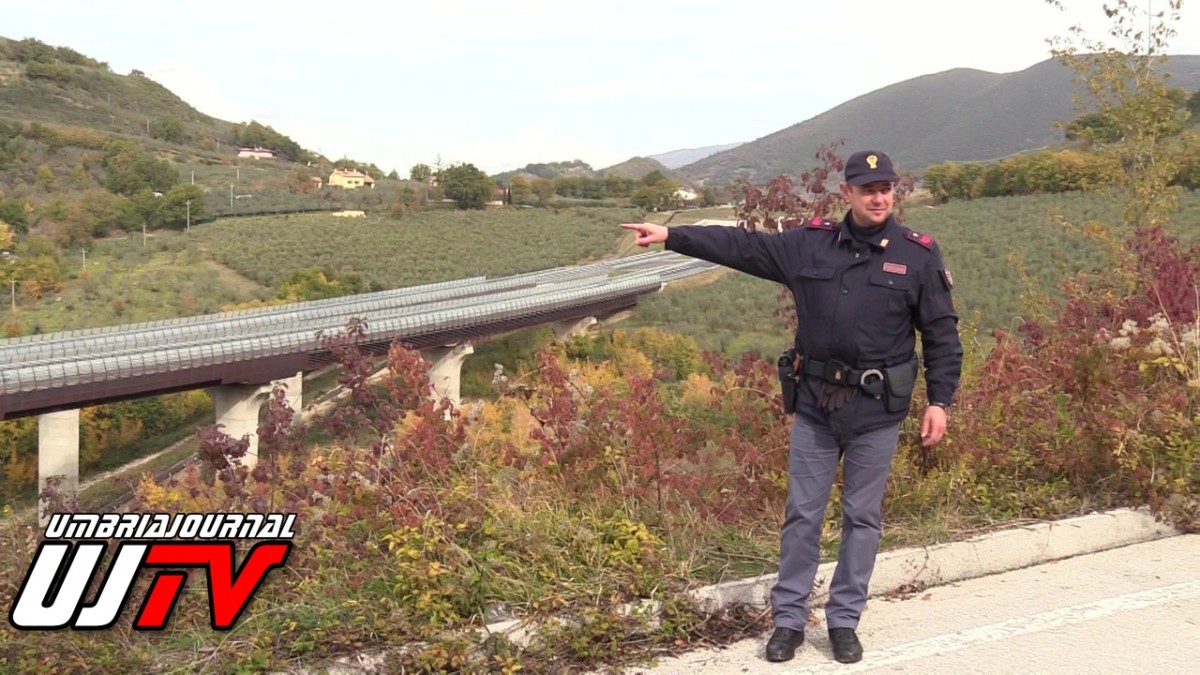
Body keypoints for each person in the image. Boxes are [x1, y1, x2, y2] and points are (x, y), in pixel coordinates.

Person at [620, 150, 963, 665]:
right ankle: (789, 620)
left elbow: (941, 334)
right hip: (817, 406)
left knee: (862, 518)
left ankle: (844, 621)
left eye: (885, 188)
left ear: (895, 191)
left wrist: (940, 400)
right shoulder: (809, 244)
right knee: (802, 514)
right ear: (847, 192)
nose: (878, 198)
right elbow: (743, 245)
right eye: (867, 189)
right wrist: (673, 235)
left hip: (876, 411)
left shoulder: (918, 255)